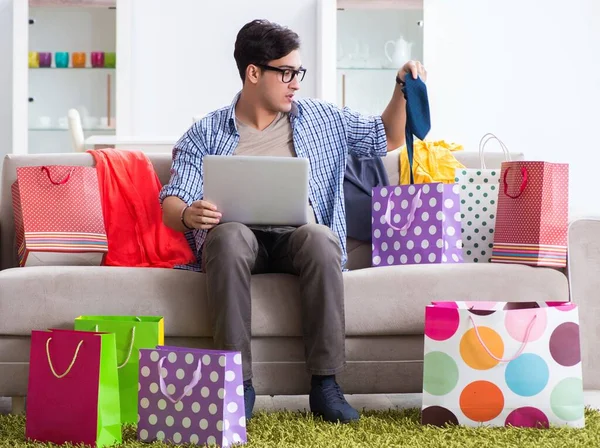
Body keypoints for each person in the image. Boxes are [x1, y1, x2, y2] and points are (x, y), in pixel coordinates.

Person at [160, 19, 427, 424]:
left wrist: (400, 88)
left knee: (320, 239)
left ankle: (326, 385)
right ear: (254, 73)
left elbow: (384, 137)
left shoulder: (322, 119)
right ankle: (236, 385)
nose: (295, 82)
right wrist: (187, 213)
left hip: (296, 239)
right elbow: (172, 198)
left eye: (297, 72)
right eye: (286, 72)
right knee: (227, 237)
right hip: (238, 242)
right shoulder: (206, 131)